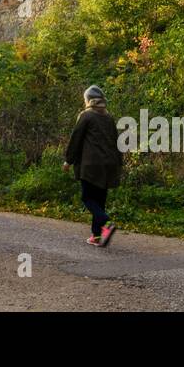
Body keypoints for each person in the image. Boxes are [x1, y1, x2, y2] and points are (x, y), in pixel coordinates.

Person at [63, 84, 124, 247]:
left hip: (91, 165)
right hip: (108, 165)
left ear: (88, 100)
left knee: (87, 197)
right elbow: (116, 141)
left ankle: (106, 222)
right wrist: (119, 162)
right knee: (99, 200)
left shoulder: (86, 116)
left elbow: (76, 138)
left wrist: (68, 160)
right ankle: (97, 236)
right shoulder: (108, 117)